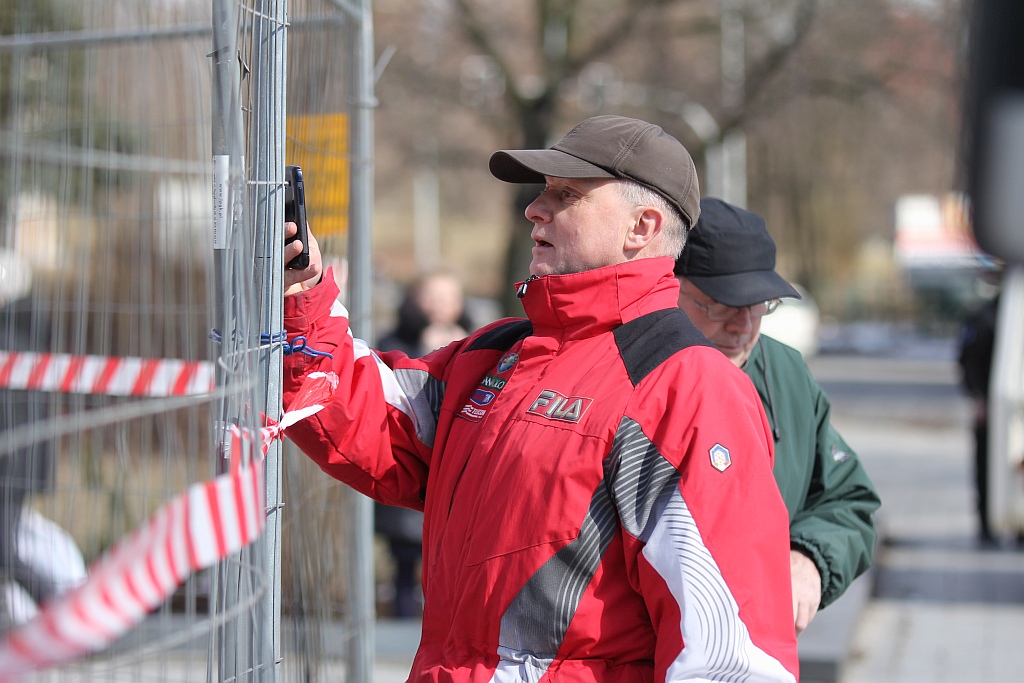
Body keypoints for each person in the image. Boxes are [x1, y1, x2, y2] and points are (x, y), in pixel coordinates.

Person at [282, 115, 799, 681]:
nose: (535, 208)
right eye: (544, 190)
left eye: (567, 194)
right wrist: (299, 293)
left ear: (641, 227)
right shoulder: (496, 352)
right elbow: (366, 417)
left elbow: (730, 657)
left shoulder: (687, 388)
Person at [674, 198, 881, 635]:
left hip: (756, 651)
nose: (743, 326)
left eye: (758, 306)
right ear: (669, 286)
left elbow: (848, 500)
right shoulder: (625, 371)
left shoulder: (786, 373)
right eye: (720, 304)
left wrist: (810, 558)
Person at [375, 269, 475, 618]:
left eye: (449, 299)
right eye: (432, 298)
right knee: (405, 560)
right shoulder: (392, 341)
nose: (441, 306)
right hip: (405, 464)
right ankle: (403, 619)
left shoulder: (478, 341)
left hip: (455, 469)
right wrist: (424, 351)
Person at [957, 279, 1000, 544]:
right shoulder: (986, 316)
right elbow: (968, 358)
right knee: (986, 465)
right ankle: (987, 525)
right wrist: (978, 398)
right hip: (990, 404)